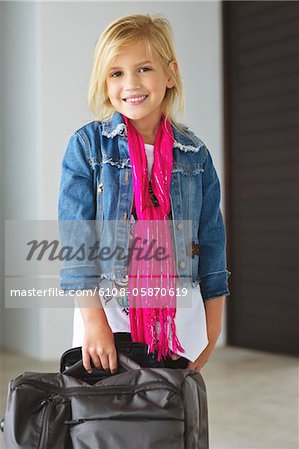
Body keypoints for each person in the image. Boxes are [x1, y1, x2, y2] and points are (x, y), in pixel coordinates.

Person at [58, 13, 231, 376]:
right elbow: (76, 240)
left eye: (144, 68)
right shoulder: (89, 147)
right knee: (108, 422)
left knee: (167, 422)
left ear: (170, 74)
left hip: (178, 318)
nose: (131, 83)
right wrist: (93, 322)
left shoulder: (194, 155)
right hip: (107, 317)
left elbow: (211, 241)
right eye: (116, 73)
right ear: (104, 83)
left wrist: (212, 327)